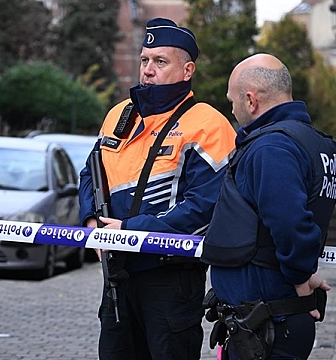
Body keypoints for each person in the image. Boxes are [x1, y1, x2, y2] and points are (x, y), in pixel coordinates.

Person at [78, 17, 236, 360]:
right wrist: (91, 221)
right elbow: (90, 174)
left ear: (187, 70)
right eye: (144, 60)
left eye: (160, 62)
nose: (148, 70)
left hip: (170, 277)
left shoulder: (209, 124)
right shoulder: (119, 115)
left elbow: (205, 208)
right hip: (118, 275)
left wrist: (130, 231)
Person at [201, 53, 336, 359]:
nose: (232, 108)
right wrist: (302, 272)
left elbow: (291, 225)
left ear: (251, 101)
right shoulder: (316, 143)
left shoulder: (271, 147)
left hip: (267, 324)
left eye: (233, 100)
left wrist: (299, 276)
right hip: (269, 318)